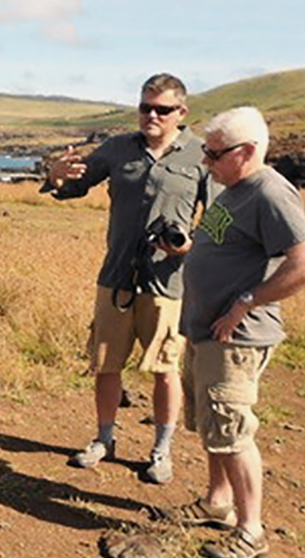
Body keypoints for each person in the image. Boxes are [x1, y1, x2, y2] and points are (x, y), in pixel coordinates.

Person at [179, 106, 305, 558]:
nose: (206, 161)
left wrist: (245, 301)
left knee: (232, 430)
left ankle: (250, 530)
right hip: (206, 331)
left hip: (235, 339)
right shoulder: (234, 189)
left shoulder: (270, 192)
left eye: (214, 153)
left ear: (245, 152)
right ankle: (216, 501)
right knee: (212, 425)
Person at [42, 74, 207, 483]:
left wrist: (191, 245)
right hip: (116, 276)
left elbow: (222, 214)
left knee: (165, 368)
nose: (152, 115)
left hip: (168, 282)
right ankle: (104, 439)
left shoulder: (202, 155)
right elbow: (71, 187)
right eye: (145, 107)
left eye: (162, 109)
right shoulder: (118, 149)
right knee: (106, 364)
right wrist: (56, 174)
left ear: (181, 113)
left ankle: (161, 450)